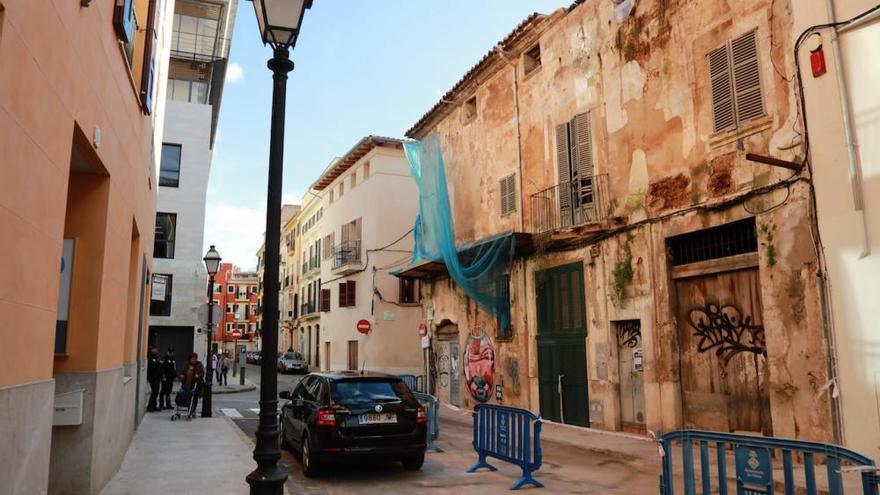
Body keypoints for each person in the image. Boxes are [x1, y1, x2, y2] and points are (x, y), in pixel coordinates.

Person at [146, 346, 161, 412]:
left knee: (156, 392)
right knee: (154, 391)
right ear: (152, 350)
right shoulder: (150, 357)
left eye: (157, 349)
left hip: (157, 377)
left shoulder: (156, 357)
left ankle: (154, 405)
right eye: (155, 349)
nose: (156, 350)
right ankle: (150, 406)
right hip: (153, 377)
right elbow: (151, 367)